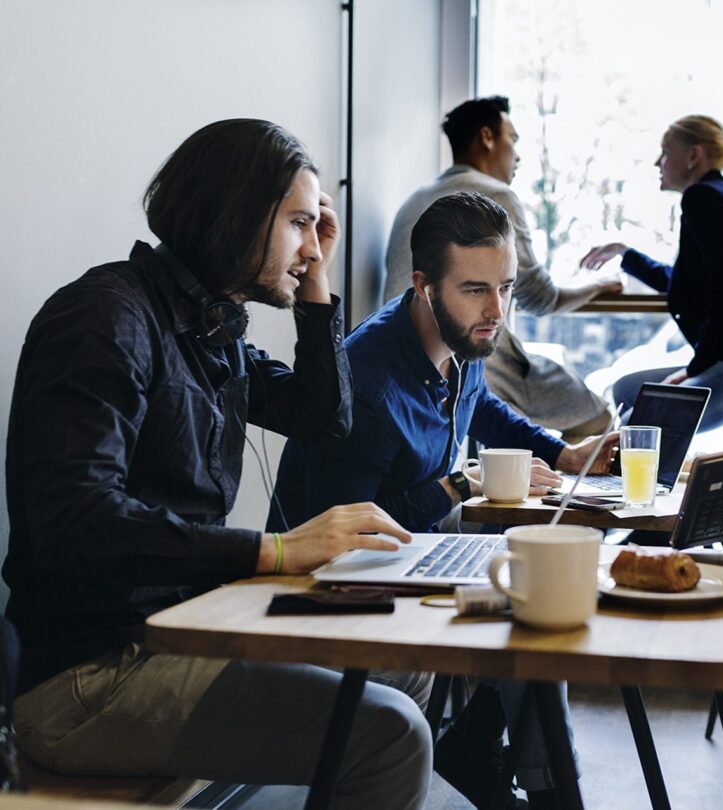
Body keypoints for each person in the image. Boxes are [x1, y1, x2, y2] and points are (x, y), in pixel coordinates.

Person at [3, 119, 431, 809]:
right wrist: (278, 550)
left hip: (188, 629)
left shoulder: (212, 330)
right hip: (88, 678)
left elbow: (325, 418)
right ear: (238, 215)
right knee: (388, 734)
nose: (308, 245)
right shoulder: (107, 318)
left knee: (406, 670)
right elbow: (76, 524)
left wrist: (316, 274)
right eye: (298, 224)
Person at [272, 191, 616, 809]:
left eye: (506, 287)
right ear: (423, 284)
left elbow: (480, 405)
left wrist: (561, 452)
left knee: (539, 594)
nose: (497, 311)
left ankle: (533, 780)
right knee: (527, 606)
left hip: (418, 559)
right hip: (341, 594)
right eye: (476, 289)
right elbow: (343, 541)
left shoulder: (463, 344)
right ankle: (529, 782)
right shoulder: (369, 383)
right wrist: (463, 484)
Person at [384, 95, 621, 441]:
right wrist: (599, 285)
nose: (518, 155)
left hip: (408, 359)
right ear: (486, 137)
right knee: (598, 418)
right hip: (476, 357)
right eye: (513, 138)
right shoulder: (498, 197)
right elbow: (540, 298)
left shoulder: (413, 202)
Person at [580, 115, 723, 431]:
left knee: (633, 428)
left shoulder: (704, 198)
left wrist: (696, 368)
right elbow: (686, 285)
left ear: (693, 156)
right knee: (625, 391)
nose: (659, 162)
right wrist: (624, 253)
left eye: (666, 152)